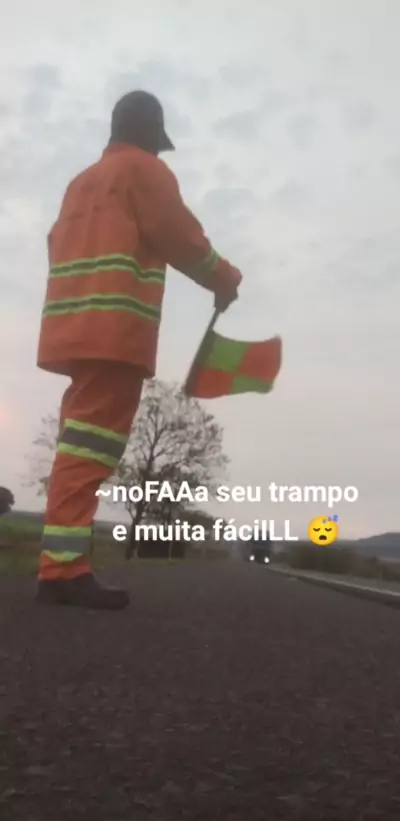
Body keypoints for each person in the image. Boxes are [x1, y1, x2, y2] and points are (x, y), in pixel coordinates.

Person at [35, 90, 242, 609]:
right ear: (150, 133)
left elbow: (55, 242)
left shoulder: (82, 182)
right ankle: (63, 571)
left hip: (74, 328)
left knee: (77, 445)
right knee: (90, 449)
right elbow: (180, 236)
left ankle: (59, 564)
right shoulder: (143, 171)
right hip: (115, 330)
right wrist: (224, 277)